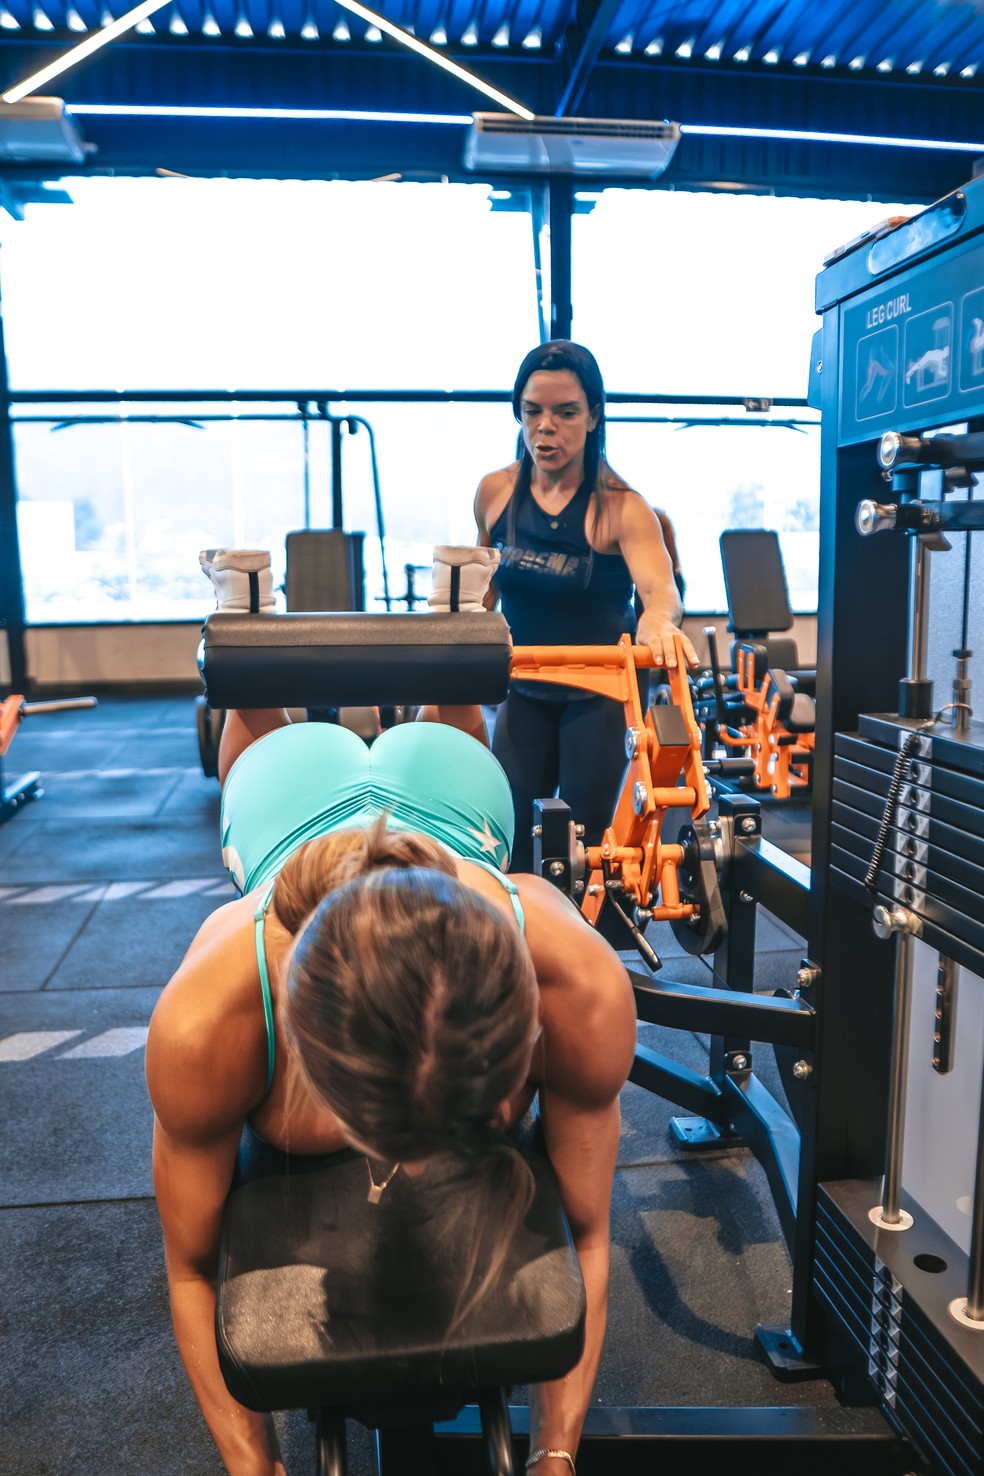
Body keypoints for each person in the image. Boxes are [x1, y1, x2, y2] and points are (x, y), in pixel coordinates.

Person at [146, 562, 636, 1476]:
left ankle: (456, 610)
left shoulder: (577, 982)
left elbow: (592, 1231)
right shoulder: (213, 1011)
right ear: (310, 1041)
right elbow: (189, 1268)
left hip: (449, 814)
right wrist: (256, 1469)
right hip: (299, 816)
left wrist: (557, 1458)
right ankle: (245, 607)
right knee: (265, 753)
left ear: (518, 1016)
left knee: (445, 743)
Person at [473, 340, 698, 875]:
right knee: (506, 833)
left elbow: (661, 592)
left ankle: (587, 946)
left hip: (596, 696)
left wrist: (657, 621)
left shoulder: (622, 507)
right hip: (523, 686)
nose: (546, 427)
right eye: (533, 411)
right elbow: (481, 589)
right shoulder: (495, 493)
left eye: (565, 412)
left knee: (587, 847)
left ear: (593, 415)